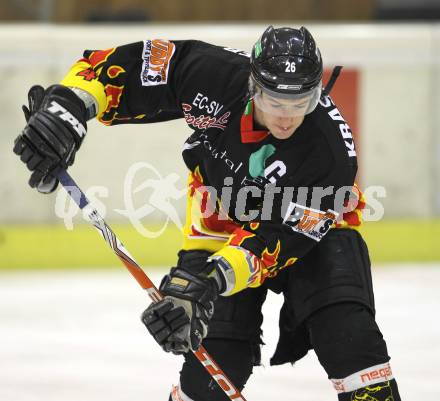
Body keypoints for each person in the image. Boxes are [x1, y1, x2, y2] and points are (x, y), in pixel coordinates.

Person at [13, 25, 401, 401]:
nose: (287, 117)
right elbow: (118, 67)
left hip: (316, 234)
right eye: (274, 102)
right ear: (253, 85)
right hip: (221, 222)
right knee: (211, 374)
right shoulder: (211, 74)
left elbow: (278, 242)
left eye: (301, 103)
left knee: (349, 338)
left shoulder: (331, 153)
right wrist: (71, 104)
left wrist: (210, 281)